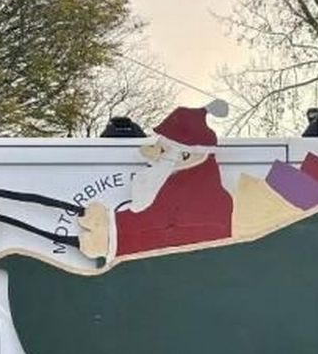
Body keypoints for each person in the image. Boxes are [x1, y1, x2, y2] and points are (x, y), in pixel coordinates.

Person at [79, 103, 232, 260]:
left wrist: (108, 234)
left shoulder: (203, 195)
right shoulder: (174, 184)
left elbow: (163, 236)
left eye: (162, 149)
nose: (151, 154)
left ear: (186, 156)